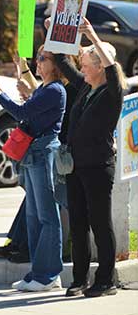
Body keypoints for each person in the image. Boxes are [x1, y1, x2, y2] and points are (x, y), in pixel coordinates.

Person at [52, 18, 124, 297]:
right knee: (79, 224)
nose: (82, 67)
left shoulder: (111, 92)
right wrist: (55, 29)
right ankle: (79, 279)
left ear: (99, 68)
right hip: (76, 166)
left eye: (86, 64)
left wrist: (92, 35)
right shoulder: (85, 87)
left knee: (99, 223)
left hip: (98, 166)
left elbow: (113, 67)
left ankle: (106, 280)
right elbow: (62, 60)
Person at [0, 48, 66, 292]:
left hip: (42, 153)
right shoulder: (44, 88)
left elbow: (22, 112)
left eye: (43, 59)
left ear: (56, 63)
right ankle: (38, 272)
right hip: (33, 153)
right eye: (37, 58)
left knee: (47, 216)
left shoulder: (55, 90)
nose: (38, 63)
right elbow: (29, 111)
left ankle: (48, 274)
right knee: (33, 216)